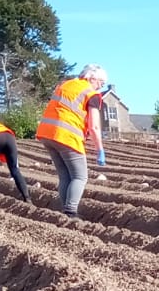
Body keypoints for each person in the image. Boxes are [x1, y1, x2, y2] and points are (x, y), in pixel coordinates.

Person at [35, 63, 109, 217]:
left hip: (47, 133)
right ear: (92, 78)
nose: (100, 87)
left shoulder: (66, 85)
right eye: (101, 83)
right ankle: (70, 212)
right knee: (80, 176)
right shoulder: (91, 94)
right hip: (67, 136)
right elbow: (95, 126)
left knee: (65, 176)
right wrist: (100, 149)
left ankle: (66, 211)